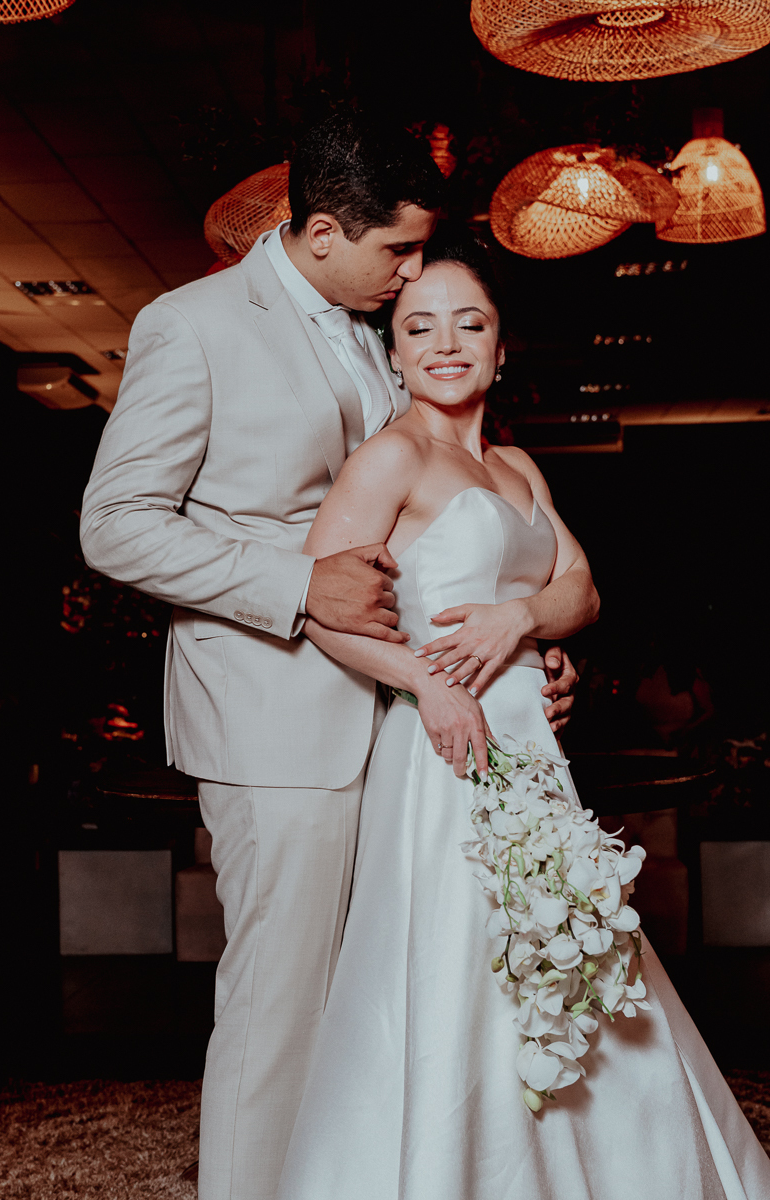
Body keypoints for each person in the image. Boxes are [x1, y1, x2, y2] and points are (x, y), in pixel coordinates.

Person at [79, 112, 578, 1200]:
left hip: (403, 716)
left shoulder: (368, 324)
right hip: (273, 717)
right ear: (316, 232)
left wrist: (512, 643)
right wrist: (298, 587)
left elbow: (421, 520)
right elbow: (114, 524)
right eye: (397, 250)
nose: (412, 276)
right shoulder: (194, 324)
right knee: (281, 1001)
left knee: (376, 1000)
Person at [275, 227, 770, 1200]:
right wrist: (430, 681)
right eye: (419, 326)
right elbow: (322, 609)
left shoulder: (518, 472)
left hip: (533, 749)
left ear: (502, 347)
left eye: (470, 322)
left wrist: (521, 622)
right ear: (395, 350)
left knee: (571, 943)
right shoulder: (389, 461)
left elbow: (580, 590)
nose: (445, 342)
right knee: (463, 967)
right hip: (445, 748)